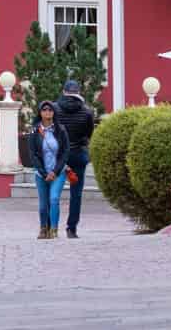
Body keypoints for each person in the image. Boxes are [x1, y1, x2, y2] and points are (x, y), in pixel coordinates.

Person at [53, 79, 96, 237]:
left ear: (64, 91)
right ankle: (71, 229)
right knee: (76, 194)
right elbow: (89, 134)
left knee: (53, 193)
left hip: (58, 156)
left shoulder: (54, 109)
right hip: (78, 155)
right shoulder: (87, 111)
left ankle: (51, 227)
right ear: (78, 93)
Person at [25, 99, 70, 240]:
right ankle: (43, 228)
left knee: (54, 199)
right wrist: (44, 173)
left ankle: (54, 229)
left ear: (54, 112)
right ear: (40, 113)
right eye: (44, 109)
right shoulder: (34, 131)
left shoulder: (61, 130)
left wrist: (55, 172)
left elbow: (65, 151)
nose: (47, 112)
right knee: (43, 204)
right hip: (41, 174)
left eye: (50, 109)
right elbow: (33, 154)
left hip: (58, 172)